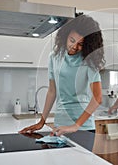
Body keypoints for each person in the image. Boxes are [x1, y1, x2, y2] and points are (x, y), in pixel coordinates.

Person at [20, 14, 105, 151]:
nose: (74, 46)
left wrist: (76, 126)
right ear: (65, 35)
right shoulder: (54, 57)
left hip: (83, 128)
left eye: (81, 44)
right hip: (60, 126)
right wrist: (42, 121)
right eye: (72, 40)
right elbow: (52, 91)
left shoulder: (89, 60)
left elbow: (97, 98)